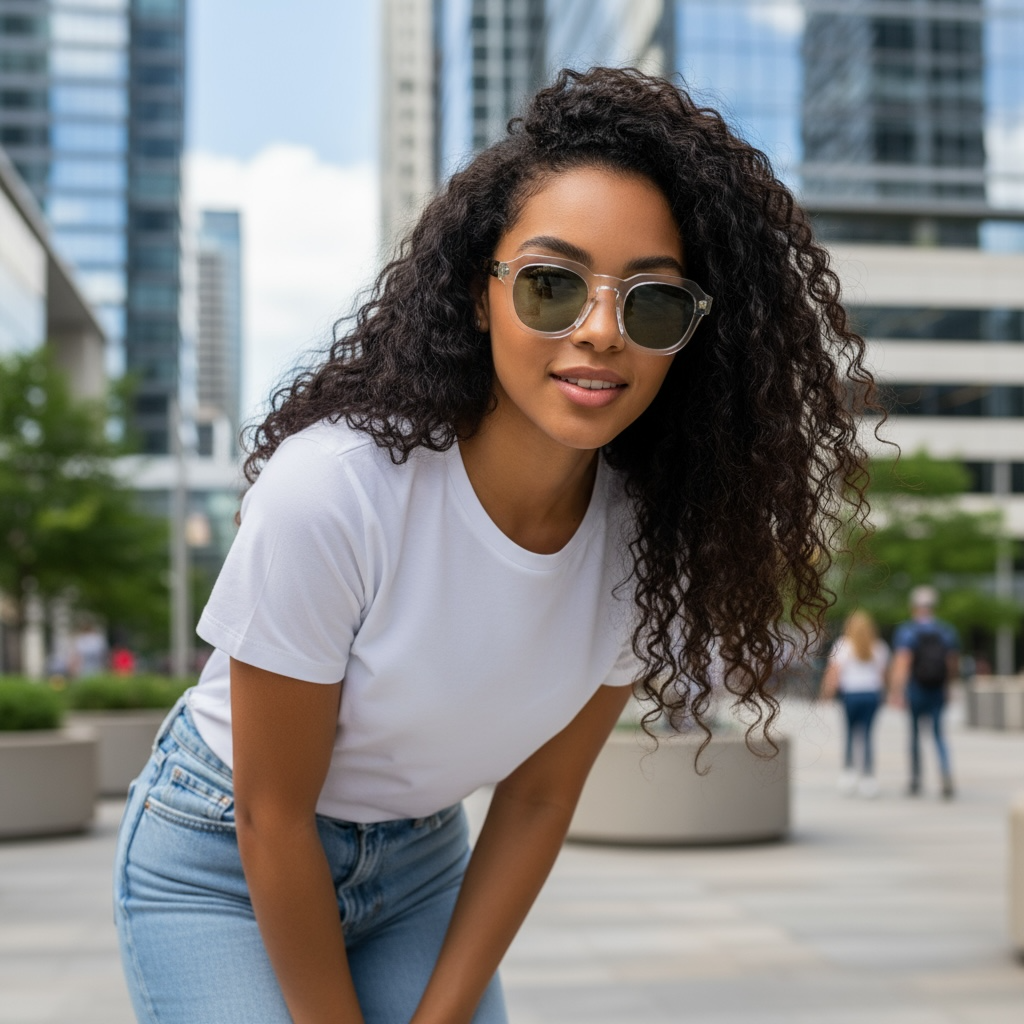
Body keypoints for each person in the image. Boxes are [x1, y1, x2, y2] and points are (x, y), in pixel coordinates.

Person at [112, 67, 875, 1024]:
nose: (603, 332)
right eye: (554, 286)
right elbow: (273, 817)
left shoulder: (647, 543)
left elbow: (539, 800)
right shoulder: (334, 491)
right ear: (481, 294)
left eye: (652, 303)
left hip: (419, 860)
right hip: (222, 852)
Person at [889, 585, 959, 799]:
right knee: (938, 734)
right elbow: (952, 664)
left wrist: (896, 691)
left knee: (914, 735)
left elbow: (903, 663)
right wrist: (948, 687)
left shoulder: (908, 631)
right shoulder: (946, 631)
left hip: (916, 689)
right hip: (937, 689)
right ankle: (945, 772)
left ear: (914, 607)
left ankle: (916, 779)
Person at [819, 610, 890, 798]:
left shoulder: (843, 645)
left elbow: (834, 672)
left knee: (850, 733)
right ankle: (868, 777)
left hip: (851, 694)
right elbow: (883, 675)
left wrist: (826, 694)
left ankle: (848, 772)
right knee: (867, 735)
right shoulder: (879, 647)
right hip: (871, 694)